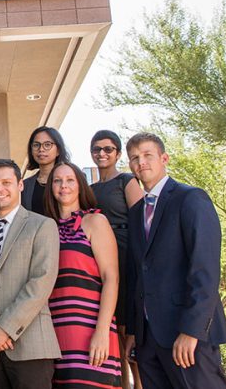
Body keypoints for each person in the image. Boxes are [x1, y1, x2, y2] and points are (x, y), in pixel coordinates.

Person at [124, 133, 226, 389]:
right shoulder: (137, 211)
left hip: (187, 336)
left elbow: (204, 270)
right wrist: (133, 331)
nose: (141, 162)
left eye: (148, 155)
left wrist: (192, 330)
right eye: (135, 158)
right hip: (148, 341)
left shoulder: (190, 198)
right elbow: (138, 273)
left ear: (164, 158)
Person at [0, 158, 61, 389]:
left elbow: (41, 281)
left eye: (6, 182)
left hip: (31, 345)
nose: (0, 189)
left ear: (20, 185)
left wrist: (4, 327)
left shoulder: (42, 226)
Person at [45, 162, 122, 389]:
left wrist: (102, 332)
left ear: (80, 185)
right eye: (57, 181)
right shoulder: (45, 228)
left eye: (70, 180)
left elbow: (111, 279)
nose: (64, 186)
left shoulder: (95, 222)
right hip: (55, 331)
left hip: (90, 329)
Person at [89, 130, 144, 389]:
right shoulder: (88, 189)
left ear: (118, 154)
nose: (102, 153)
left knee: (129, 332)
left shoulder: (127, 181)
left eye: (108, 149)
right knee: (113, 332)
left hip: (126, 257)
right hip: (99, 260)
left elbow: (143, 222)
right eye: (97, 149)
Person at [21, 126, 71, 216]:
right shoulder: (25, 186)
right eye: (36, 145)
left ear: (58, 150)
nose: (41, 149)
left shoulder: (73, 179)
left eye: (47, 145)